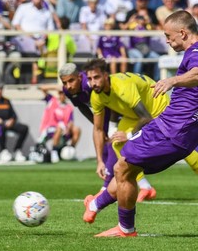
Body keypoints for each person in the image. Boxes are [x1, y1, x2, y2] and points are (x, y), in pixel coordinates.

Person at [83, 12, 198, 237]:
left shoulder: (194, 52)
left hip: (171, 129)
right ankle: (95, 205)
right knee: (126, 167)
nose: (166, 40)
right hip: (178, 130)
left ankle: (125, 228)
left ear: (182, 33)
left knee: (121, 167)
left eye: (168, 35)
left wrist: (172, 80)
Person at [58, 63, 156, 198]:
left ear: (80, 77)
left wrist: (109, 126)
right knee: (112, 147)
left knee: (112, 145)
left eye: (71, 81)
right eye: (65, 82)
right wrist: (97, 125)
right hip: (104, 114)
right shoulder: (68, 90)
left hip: (118, 112)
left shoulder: (92, 84)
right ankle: (144, 186)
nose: (68, 85)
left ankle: (106, 189)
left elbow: (110, 102)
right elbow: (82, 107)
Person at [0, 81, 28, 162]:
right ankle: (3, 151)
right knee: (1, 127)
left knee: (24, 128)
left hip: (7, 123)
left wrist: (12, 120)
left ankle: (16, 150)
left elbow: (13, 114)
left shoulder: (6, 101)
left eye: (0, 89)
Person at [38, 85, 81, 163]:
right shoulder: (52, 101)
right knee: (59, 127)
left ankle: (70, 150)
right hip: (50, 129)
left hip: (63, 130)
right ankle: (54, 152)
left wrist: (69, 127)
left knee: (77, 129)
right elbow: (42, 88)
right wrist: (56, 88)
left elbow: (70, 121)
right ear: (58, 94)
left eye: (64, 94)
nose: (63, 95)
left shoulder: (69, 107)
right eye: (61, 93)